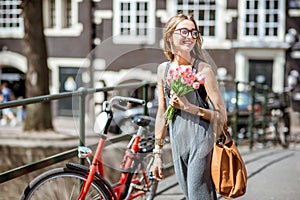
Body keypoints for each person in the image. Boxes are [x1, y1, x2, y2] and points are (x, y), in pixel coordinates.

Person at [152, 13, 227, 199]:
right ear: (170, 36)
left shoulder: (203, 70)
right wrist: (157, 153)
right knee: (190, 194)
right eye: (184, 31)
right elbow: (162, 112)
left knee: (198, 195)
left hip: (201, 140)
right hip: (178, 143)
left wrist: (190, 108)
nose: (190, 36)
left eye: (194, 33)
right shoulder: (163, 70)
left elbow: (222, 116)